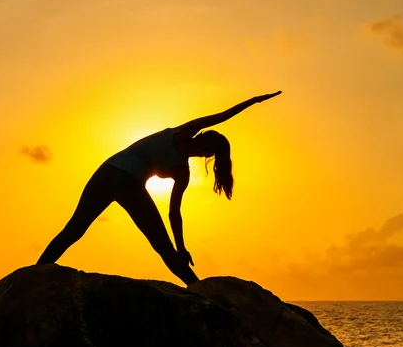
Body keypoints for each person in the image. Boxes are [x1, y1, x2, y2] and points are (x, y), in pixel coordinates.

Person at [37, 91, 282, 286]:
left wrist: (181, 246)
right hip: (122, 178)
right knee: (78, 230)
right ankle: (197, 288)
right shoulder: (185, 136)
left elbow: (175, 213)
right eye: (209, 147)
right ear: (204, 140)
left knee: (76, 230)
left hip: (108, 171)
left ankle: (33, 274)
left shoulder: (182, 170)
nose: (205, 151)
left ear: (209, 156)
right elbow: (222, 115)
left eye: (210, 153)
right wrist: (252, 101)